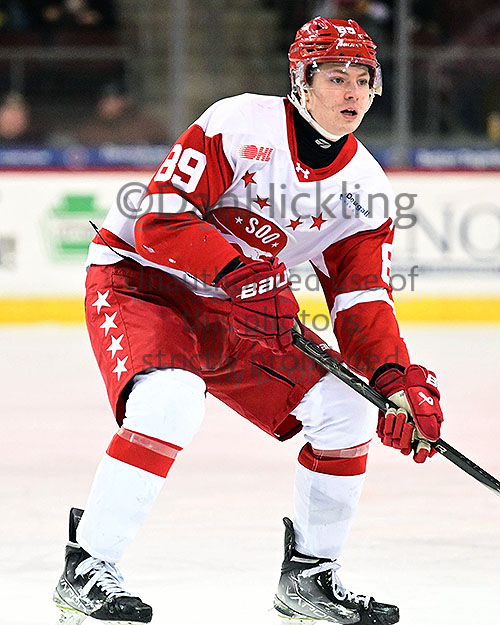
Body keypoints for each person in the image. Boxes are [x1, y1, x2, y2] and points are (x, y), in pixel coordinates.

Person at [53, 16, 444, 625]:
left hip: (238, 309)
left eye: (363, 79)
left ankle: (310, 577)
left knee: (348, 408)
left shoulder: (366, 188)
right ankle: (88, 563)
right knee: (168, 400)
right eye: (336, 77)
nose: (352, 93)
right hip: (142, 283)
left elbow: (362, 301)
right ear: (301, 80)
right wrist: (242, 273)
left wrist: (395, 381)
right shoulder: (238, 123)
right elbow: (160, 221)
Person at [77, 83, 170, 146]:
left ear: (126, 100)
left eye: (113, 100)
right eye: (105, 101)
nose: (108, 105)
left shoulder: (149, 126)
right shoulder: (90, 131)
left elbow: (167, 153)